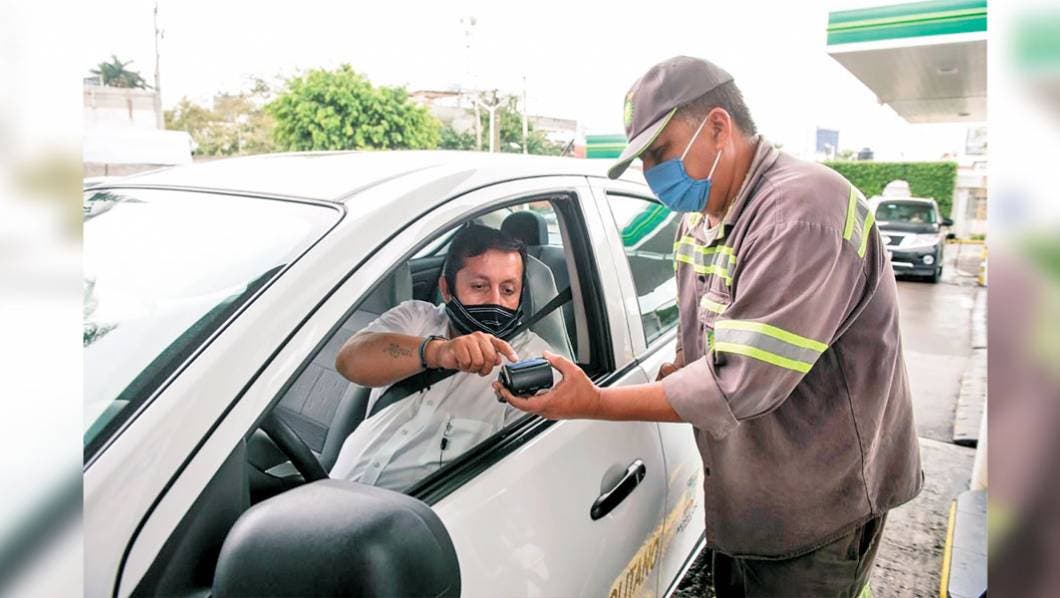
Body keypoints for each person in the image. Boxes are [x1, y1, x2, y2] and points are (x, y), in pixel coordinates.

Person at [493, 56, 922, 597]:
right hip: (747, 491)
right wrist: (679, 366)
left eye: (660, 152)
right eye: (644, 160)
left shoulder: (801, 213)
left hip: (817, 506)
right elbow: (702, 336)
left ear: (718, 126)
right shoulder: (700, 220)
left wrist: (594, 402)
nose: (652, 173)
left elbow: (736, 384)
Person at [330, 223, 553, 491]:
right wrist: (438, 352)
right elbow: (349, 360)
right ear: (447, 289)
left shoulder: (533, 364)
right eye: (479, 286)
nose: (495, 302)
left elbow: (520, 476)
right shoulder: (415, 317)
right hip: (334, 490)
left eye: (508, 290)